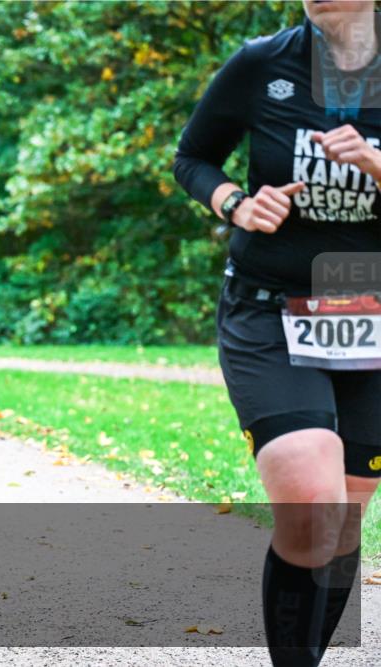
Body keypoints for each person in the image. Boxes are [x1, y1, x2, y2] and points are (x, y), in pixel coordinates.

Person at [173, 3, 381, 665]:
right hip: (269, 309)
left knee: (344, 517)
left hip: (371, 316)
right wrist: (236, 202)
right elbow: (193, 157)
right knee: (312, 502)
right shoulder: (263, 62)